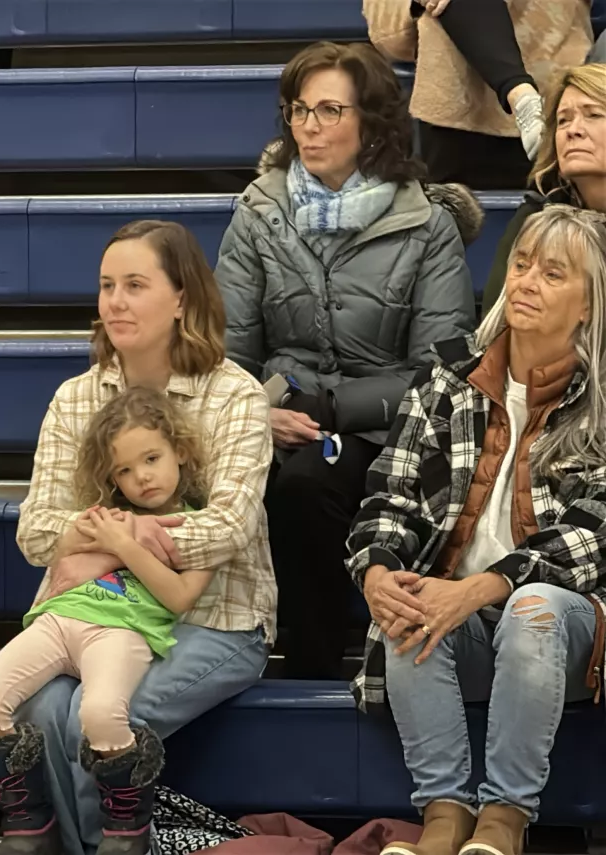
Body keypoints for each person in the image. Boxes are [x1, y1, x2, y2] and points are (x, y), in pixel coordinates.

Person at [215, 41, 479, 680]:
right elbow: (224, 354)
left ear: (372, 122)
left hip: (388, 427)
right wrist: (260, 412)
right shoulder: (260, 212)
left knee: (307, 484)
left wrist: (334, 408)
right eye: (298, 110)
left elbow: (441, 369)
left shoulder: (426, 223)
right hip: (277, 417)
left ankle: (315, 665)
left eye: (329, 110)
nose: (308, 126)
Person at [13, 219, 278, 855]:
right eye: (107, 286)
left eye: (135, 285)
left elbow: (229, 530)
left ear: (182, 297)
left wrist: (108, 539)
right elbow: (36, 530)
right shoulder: (76, 399)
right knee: (40, 710)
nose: (115, 302)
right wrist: (123, 544)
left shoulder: (234, 394)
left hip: (217, 618)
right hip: (97, 616)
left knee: (98, 718)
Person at [349, 204, 606, 855]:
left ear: (588, 303)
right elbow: (388, 494)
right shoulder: (447, 377)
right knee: (411, 599)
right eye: (521, 263)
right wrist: (378, 570)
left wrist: (481, 587)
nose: (525, 281)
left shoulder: (601, 397)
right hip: (463, 626)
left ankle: (504, 821)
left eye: (552, 273)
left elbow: (594, 531)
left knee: (535, 605)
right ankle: (443, 816)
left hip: (566, 633)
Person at [0, 387, 214, 855]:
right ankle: (28, 819)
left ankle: (125, 827)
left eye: (152, 458)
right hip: (58, 618)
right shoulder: (105, 516)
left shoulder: (199, 525)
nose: (142, 477)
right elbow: (57, 560)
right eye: (125, 469)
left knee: (98, 714)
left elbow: (178, 596)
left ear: (179, 450)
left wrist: (121, 548)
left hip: (121, 630)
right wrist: (102, 542)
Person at [364, 0, 592, 189]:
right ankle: (521, 96)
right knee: (452, 229)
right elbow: (386, 27)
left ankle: (521, 95)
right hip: (456, 106)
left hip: (553, 89)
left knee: (562, 230)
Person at [482, 64, 606, 316]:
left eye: (593, 115)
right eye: (563, 120)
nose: (573, 130)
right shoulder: (536, 216)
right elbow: (497, 325)